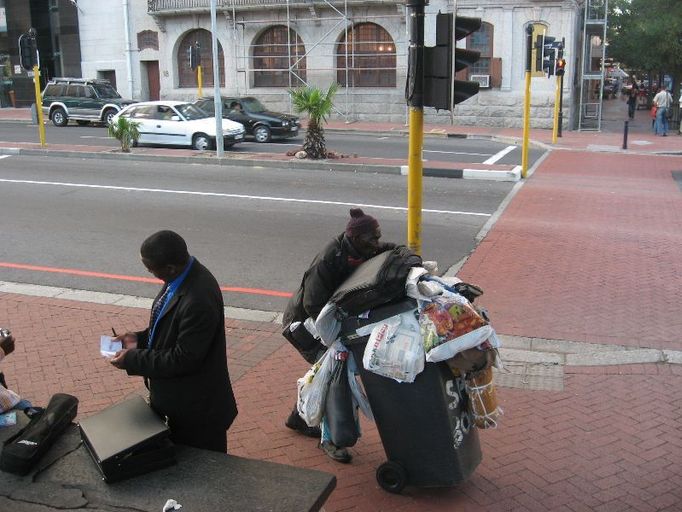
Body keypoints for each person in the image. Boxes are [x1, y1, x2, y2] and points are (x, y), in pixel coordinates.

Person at [282, 208, 396, 463]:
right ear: (354, 238)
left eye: (378, 237)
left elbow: (383, 249)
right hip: (305, 325)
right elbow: (313, 305)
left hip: (324, 319)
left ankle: (299, 418)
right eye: (372, 239)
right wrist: (336, 334)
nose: (376, 243)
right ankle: (330, 440)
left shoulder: (360, 248)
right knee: (335, 376)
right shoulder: (328, 260)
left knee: (328, 373)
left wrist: (401, 252)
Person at [110, 230, 237, 453]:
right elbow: (167, 327)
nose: (150, 273)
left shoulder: (198, 298)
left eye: (151, 269)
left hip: (197, 412)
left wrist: (132, 358)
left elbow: (184, 358)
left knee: (202, 471)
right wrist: (133, 340)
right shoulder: (180, 278)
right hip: (179, 403)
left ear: (170, 268)